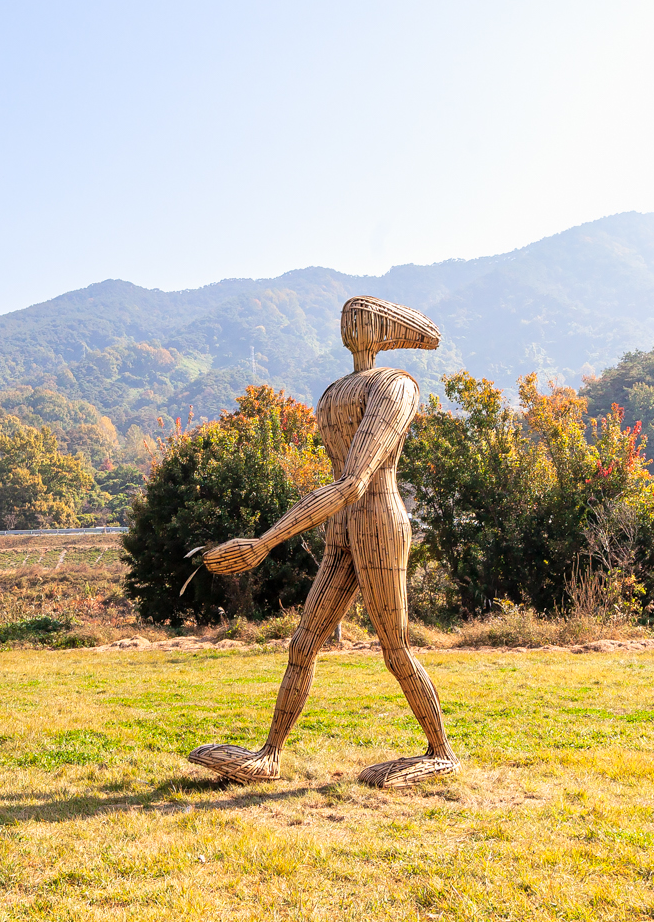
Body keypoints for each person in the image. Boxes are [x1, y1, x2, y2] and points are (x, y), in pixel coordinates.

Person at [188, 296, 456, 788]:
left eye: (361, 316)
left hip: (378, 521)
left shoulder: (396, 386)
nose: (349, 323)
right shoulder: (336, 392)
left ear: (380, 329)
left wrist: (266, 541)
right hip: (343, 527)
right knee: (304, 641)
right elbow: (341, 482)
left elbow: (354, 481)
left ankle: (441, 752)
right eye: (346, 316)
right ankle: (268, 754)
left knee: (394, 647)